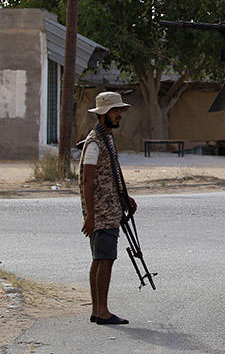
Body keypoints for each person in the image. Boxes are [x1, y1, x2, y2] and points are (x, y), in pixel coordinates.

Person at [79, 91, 137, 325]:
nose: (119, 115)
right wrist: (90, 216)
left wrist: (125, 196)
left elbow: (111, 174)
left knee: (101, 259)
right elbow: (87, 181)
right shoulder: (94, 143)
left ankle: (98, 310)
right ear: (103, 113)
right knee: (104, 259)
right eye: (115, 111)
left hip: (110, 209)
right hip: (101, 213)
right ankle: (101, 310)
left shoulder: (107, 139)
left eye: (120, 110)